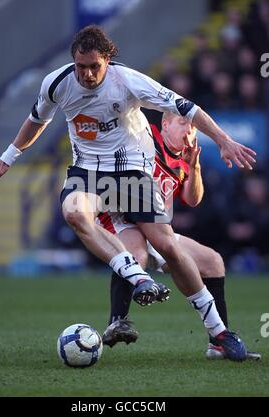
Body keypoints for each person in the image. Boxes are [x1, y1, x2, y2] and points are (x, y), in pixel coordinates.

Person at [0, 25, 256, 360]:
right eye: (81, 67)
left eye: (94, 66)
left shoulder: (128, 81)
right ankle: (138, 281)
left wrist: (223, 140)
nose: (87, 74)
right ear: (73, 62)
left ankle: (219, 334)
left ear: (108, 60)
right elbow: (36, 120)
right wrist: (7, 159)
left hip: (132, 171)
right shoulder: (57, 84)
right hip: (88, 171)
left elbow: (187, 108)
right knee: (74, 212)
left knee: (168, 247)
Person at [100, 112, 261, 360]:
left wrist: (194, 166)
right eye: (183, 122)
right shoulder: (145, 137)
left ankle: (217, 344)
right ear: (165, 124)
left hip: (158, 229)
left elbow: (193, 199)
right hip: (123, 220)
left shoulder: (185, 158)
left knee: (212, 261)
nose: (189, 130)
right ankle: (116, 322)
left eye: (194, 127)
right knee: (136, 256)